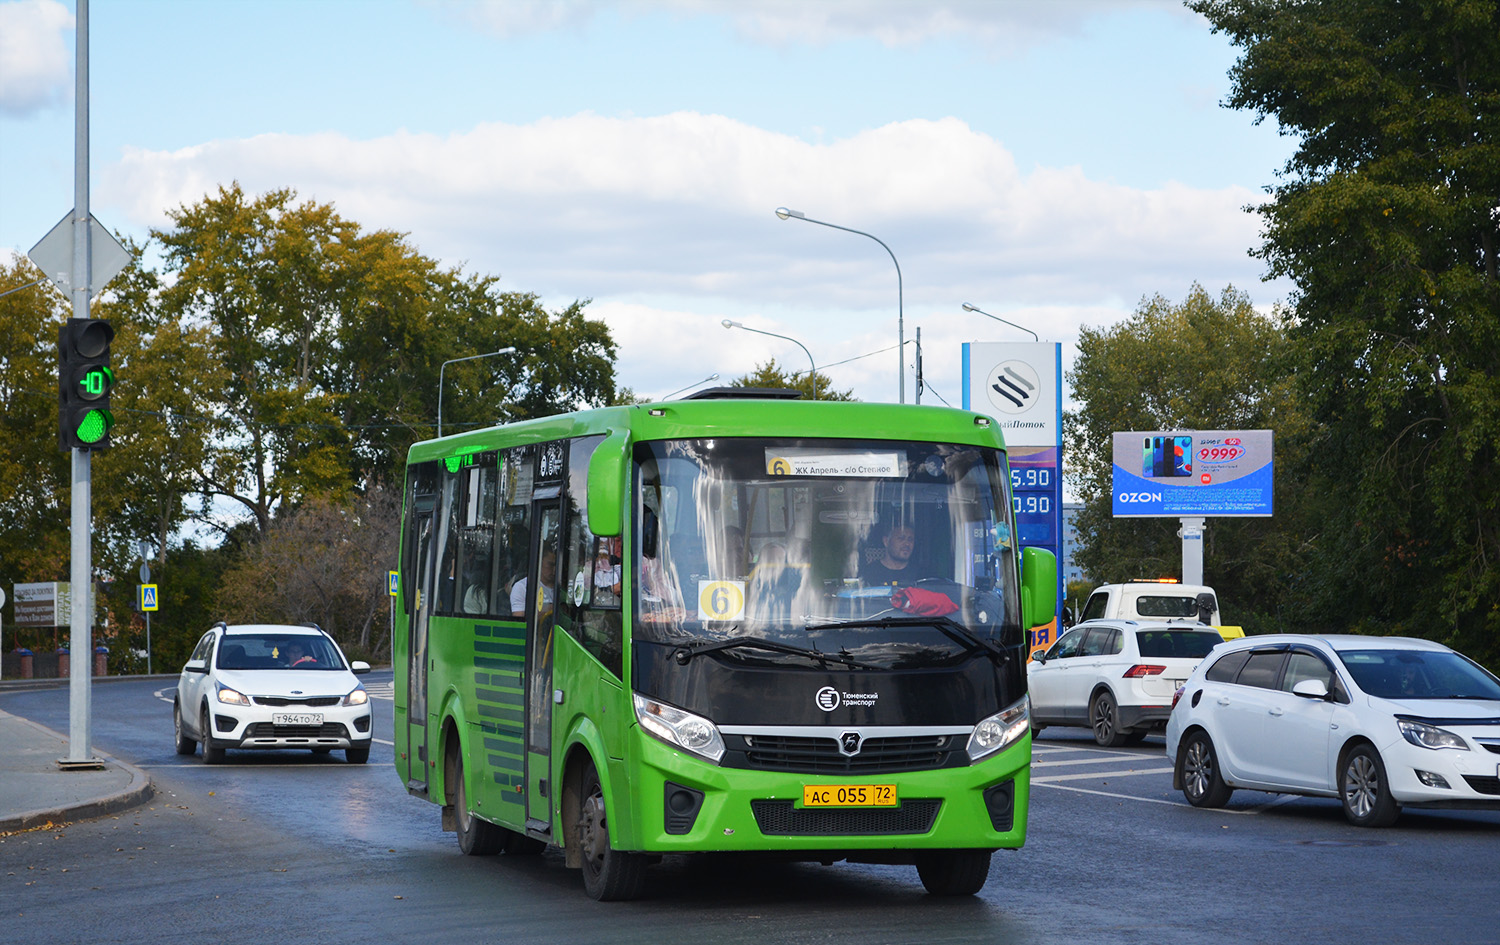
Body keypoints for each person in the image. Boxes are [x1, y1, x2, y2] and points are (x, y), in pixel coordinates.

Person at [860, 522, 919, 587]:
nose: (907, 544)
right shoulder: (869, 573)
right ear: (886, 541)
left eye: (910, 540)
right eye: (901, 538)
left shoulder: (920, 574)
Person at [510, 547, 557, 617]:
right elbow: (519, 617)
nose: (554, 569)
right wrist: (549, 609)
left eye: (556, 565)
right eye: (550, 565)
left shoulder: (560, 589)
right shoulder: (522, 587)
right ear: (539, 562)